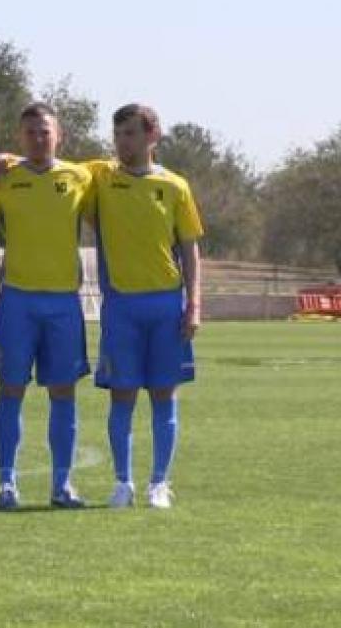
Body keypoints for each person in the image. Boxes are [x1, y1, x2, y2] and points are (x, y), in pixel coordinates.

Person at [0, 103, 93, 509]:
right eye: (30, 132)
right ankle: (7, 483)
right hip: (17, 301)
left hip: (63, 301)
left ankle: (62, 484)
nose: (38, 139)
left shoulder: (80, 176)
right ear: (19, 137)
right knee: (11, 389)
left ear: (59, 136)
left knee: (63, 392)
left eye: (45, 132)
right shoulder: (7, 176)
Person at [88, 104, 204, 509]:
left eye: (131, 134)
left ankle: (159, 483)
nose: (122, 143)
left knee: (163, 396)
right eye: (118, 135)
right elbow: (54, 167)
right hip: (121, 307)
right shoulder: (101, 177)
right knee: (121, 397)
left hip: (166, 306)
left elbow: (190, 249)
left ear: (152, 135)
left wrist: (194, 305)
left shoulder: (175, 186)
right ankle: (123, 482)